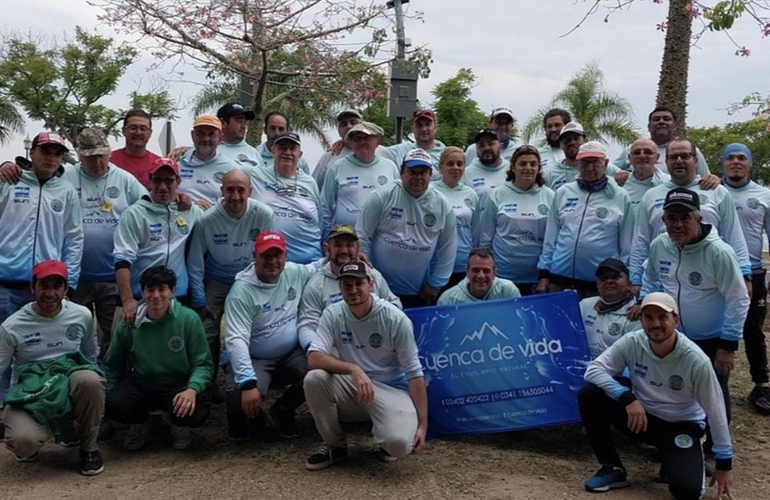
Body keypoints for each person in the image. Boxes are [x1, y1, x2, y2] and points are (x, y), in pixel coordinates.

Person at [578, 293, 734, 499]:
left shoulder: (696, 359)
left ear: (676, 320)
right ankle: (612, 467)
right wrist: (627, 397)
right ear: (641, 320)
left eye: (663, 317)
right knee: (590, 394)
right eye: (649, 317)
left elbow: (716, 410)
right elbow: (594, 370)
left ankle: (673, 459)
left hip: (680, 425)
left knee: (686, 491)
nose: (655, 324)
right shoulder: (633, 341)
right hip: (642, 419)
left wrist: (724, 462)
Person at [641, 187, 749, 463]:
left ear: (698, 218)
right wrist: (646, 306)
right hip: (673, 336)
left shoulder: (719, 252)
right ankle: (672, 442)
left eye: (684, 218)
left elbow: (738, 299)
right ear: (663, 219)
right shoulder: (659, 245)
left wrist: (728, 345)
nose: (677, 224)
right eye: (671, 218)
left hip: (712, 338)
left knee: (713, 394)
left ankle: (714, 449)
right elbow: (651, 278)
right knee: (672, 390)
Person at [304, 260, 427, 470]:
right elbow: (314, 357)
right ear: (339, 287)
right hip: (353, 386)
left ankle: (386, 437)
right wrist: (353, 369)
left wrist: (423, 425)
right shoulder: (333, 314)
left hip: (390, 389)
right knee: (314, 379)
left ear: (370, 284)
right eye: (347, 285)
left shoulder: (395, 319)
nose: (353, 290)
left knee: (399, 445)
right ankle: (335, 446)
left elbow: (414, 373)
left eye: (358, 284)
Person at [0, 260, 104, 475]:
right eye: (44, 286)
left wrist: (92, 398)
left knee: (90, 380)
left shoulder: (81, 315)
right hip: (30, 391)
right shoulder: (12, 326)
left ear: (66, 289)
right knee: (23, 442)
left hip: (68, 380)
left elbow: (88, 355)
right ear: (32, 288)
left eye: (57, 286)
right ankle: (40, 434)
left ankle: (89, 448)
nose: (50, 293)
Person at [221, 231, 318, 441]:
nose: (273, 261)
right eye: (266, 256)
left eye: (278, 255)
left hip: (290, 353)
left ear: (286, 255)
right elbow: (236, 339)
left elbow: (319, 267)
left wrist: (350, 257)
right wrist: (247, 383)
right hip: (255, 356)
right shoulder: (241, 292)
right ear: (254, 256)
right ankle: (250, 419)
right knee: (240, 405)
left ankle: (283, 409)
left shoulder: (294, 272)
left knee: (318, 371)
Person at [104, 266, 213, 451]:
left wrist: (192, 390)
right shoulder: (130, 322)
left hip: (177, 382)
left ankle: (178, 425)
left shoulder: (188, 319)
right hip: (142, 381)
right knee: (115, 402)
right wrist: (106, 396)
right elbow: (114, 364)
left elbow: (203, 364)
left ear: (172, 291)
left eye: (162, 289)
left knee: (195, 408)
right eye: (150, 289)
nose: (156, 295)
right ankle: (139, 422)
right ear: (143, 292)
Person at [62, 129, 148, 362]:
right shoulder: (66, 177)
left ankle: (109, 382)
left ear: (109, 153)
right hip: (76, 277)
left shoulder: (124, 179)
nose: (97, 161)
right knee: (75, 334)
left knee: (114, 335)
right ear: (80, 156)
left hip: (113, 276)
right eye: (90, 156)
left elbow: (148, 209)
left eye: (101, 155)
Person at [187, 170, 275, 395]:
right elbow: (196, 262)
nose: (235, 196)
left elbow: (268, 254)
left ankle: (243, 375)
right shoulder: (207, 219)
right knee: (207, 331)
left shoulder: (263, 214)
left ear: (250, 192)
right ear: (222, 191)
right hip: (216, 279)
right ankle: (206, 382)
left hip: (249, 278)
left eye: (241, 190)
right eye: (230, 190)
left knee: (251, 328)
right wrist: (199, 299)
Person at [630, 138, 751, 289]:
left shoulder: (717, 192)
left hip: (708, 278)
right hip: (664, 280)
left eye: (685, 156)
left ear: (695, 160)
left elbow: (734, 235)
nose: (679, 161)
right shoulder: (651, 195)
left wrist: (744, 273)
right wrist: (635, 279)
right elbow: (640, 241)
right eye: (673, 157)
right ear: (666, 161)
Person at [357, 148, 457, 308]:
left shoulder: (442, 204)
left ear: (431, 175)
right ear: (401, 173)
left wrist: (436, 283)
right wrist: (368, 277)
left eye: (423, 172)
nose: (417, 177)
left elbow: (449, 247)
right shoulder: (381, 197)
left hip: (419, 291)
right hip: (379, 288)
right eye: (412, 172)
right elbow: (363, 237)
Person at [0, 131, 83, 323]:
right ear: (32, 153)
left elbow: (74, 240)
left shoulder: (66, 191)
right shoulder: (9, 181)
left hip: (47, 286)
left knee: (37, 347)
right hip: (5, 284)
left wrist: (68, 285)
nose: (51, 158)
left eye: (57, 154)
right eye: (45, 151)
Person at [537, 142, 633, 299]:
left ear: (606, 164)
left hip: (599, 284)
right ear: (577, 164)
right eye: (585, 162)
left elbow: (627, 245)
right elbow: (551, 237)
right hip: (559, 280)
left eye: (596, 162)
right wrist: (544, 274)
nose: (590, 168)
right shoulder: (563, 192)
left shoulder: (620, 197)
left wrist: (625, 278)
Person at [113, 157, 203, 323]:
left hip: (178, 294)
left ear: (178, 181)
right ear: (149, 181)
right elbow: (122, 260)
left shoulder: (191, 212)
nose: (163, 187)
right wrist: (127, 300)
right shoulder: (133, 214)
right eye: (157, 180)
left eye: (169, 181)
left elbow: (217, 220)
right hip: (141, 295)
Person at [297, 224, 401, 352]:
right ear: (328, 249)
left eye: (349, 245)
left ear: (358, 249)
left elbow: (394, 305)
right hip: (336, 351)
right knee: (316, 373)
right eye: (338, 245)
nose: (344, 250)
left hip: (375, 347)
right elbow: (307, 325)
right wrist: (316, 350)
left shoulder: (372, 275)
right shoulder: (316, 284)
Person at [722, 143, 770, 414]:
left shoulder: (763, 195)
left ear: (749, 164)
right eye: (731, 158)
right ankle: (715, 382)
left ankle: (762, 386)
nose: (736, 162)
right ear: (724, 163)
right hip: (719, 272)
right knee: (718, 329)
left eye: (742, 158)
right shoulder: (715, 191)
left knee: (753, 331)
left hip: (754, 273)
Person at [478, 145, 555, 294]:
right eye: (523, 163)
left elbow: (552, 241)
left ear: (539, 168)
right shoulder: (497, 195)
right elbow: (485, 238)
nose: (528, 168)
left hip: (535, 278)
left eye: (533, 164)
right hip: (502, 276)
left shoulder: (550, 196)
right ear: (513, 167)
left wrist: (545, 275)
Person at [248, 131, 322, 264]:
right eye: (282, 147)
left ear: (300, 154)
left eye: (292, 148)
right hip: (270, 261)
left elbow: (321, 219)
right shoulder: (255, 174)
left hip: (309, 260)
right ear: (272, 151)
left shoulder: (310, 182)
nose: (287, 152)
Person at [321, 121, 399, 236]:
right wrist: (326, 238)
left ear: (377, 142)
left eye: (366, 138)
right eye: (357, 139)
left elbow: (398, 202)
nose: (362, 142)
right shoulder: (337, 167)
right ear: (351, 143)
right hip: (346, 240)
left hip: (380, 237)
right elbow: (325, 206)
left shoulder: (390, 166)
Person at [612, 107, 710, 177]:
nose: (661, 122)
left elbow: (706, 179)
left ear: (675, 126)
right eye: (656, 119)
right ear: (649, 126)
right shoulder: (633, 149)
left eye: (666, 119)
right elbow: (609, 172)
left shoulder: (690, 151)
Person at [433, 146, 480, 287]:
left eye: (460, 164)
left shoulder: (471, 194)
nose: (455, 168)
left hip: (462, 263)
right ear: (441, 167)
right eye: (450, 163)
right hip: (436, 263)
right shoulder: (431, 191)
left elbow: (475, 230)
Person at [177, 115, 241, 210]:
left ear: (220, 138)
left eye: (211, 134)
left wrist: (214, 209)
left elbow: (238, 203)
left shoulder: (231, 169)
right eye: (200, 133)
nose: (205, 139)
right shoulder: (177, 165)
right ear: (193, 136)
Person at [579, 259, 639, 359]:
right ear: (597, 285)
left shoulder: (634, 314)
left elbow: (632, 357)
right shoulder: (584, 305)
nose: (609, 281)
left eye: (615, 277)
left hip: (614, 373)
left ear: (629, 284)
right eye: (603, 278)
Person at [313, 109, 387, 189]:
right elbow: (315, 187)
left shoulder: (383, 152)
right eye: (344, 124)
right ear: (339, 131)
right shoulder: (330, 156)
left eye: (353, 122)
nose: (349, 126)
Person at [543, 122, 620, 191]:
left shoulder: (602, 165)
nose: (572, 142)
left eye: (576, 138)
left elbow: (626, 179)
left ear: (585, 141)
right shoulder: (551, 173)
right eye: (567, 140)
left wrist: (612, 181)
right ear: (560, 144)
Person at [437, 248, 520, 305]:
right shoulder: (448, 299)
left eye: (486, 271)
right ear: (467, 271)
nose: (481, 276)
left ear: (494, 273)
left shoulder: (508, 290)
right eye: (475, 270)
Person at [381, 109, 445, 179]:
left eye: (428, 124)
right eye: (419, 125)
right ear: (412, 129)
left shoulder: (445, 155)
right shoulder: (399, 151)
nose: (423, 129)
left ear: (435, 127)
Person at [110, 109, 162, 189]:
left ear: (150, 133)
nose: (138, 133)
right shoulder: (109, 161)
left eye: (143, 129)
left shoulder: (159, 164)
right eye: (133, 128)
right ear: (124, 131)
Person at [462, 128, 509, 207]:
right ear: (476, 149)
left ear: (500, 147)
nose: (486, 148)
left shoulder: (511, 170)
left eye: (491, 144)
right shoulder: (466, 174)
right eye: (481, 145)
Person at [620, 138, 669, 211]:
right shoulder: (621, 186)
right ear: (630, 158)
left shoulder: (669, 183)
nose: (642, 156)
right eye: (637, 152)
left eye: (647, 152)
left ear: (657, 158)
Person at [216, 102, 262, 168]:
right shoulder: (210, 150)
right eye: (239, 121)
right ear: (223, 123)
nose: (243, 126)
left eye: (245, 122)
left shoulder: (254, 153)